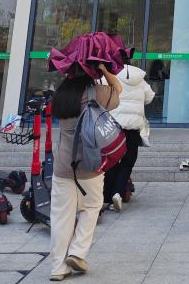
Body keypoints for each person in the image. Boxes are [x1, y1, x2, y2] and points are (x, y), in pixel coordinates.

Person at [49, 63, 122, 281]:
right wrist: (105, 70)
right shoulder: (97, 93)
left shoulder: (61, 95)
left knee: (61, 216)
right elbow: (118, 90)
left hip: (63, 164)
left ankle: (57, 267)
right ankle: (78, 252)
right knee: (91, 206)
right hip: (90, 164)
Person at [102, 63, 155, 211]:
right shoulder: (139, 78)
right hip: (133, 128)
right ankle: (117, 193)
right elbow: (150, 97)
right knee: (128, 162)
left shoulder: (109, 75)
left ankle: (107, 196)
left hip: (113, 127)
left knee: (111, 160)